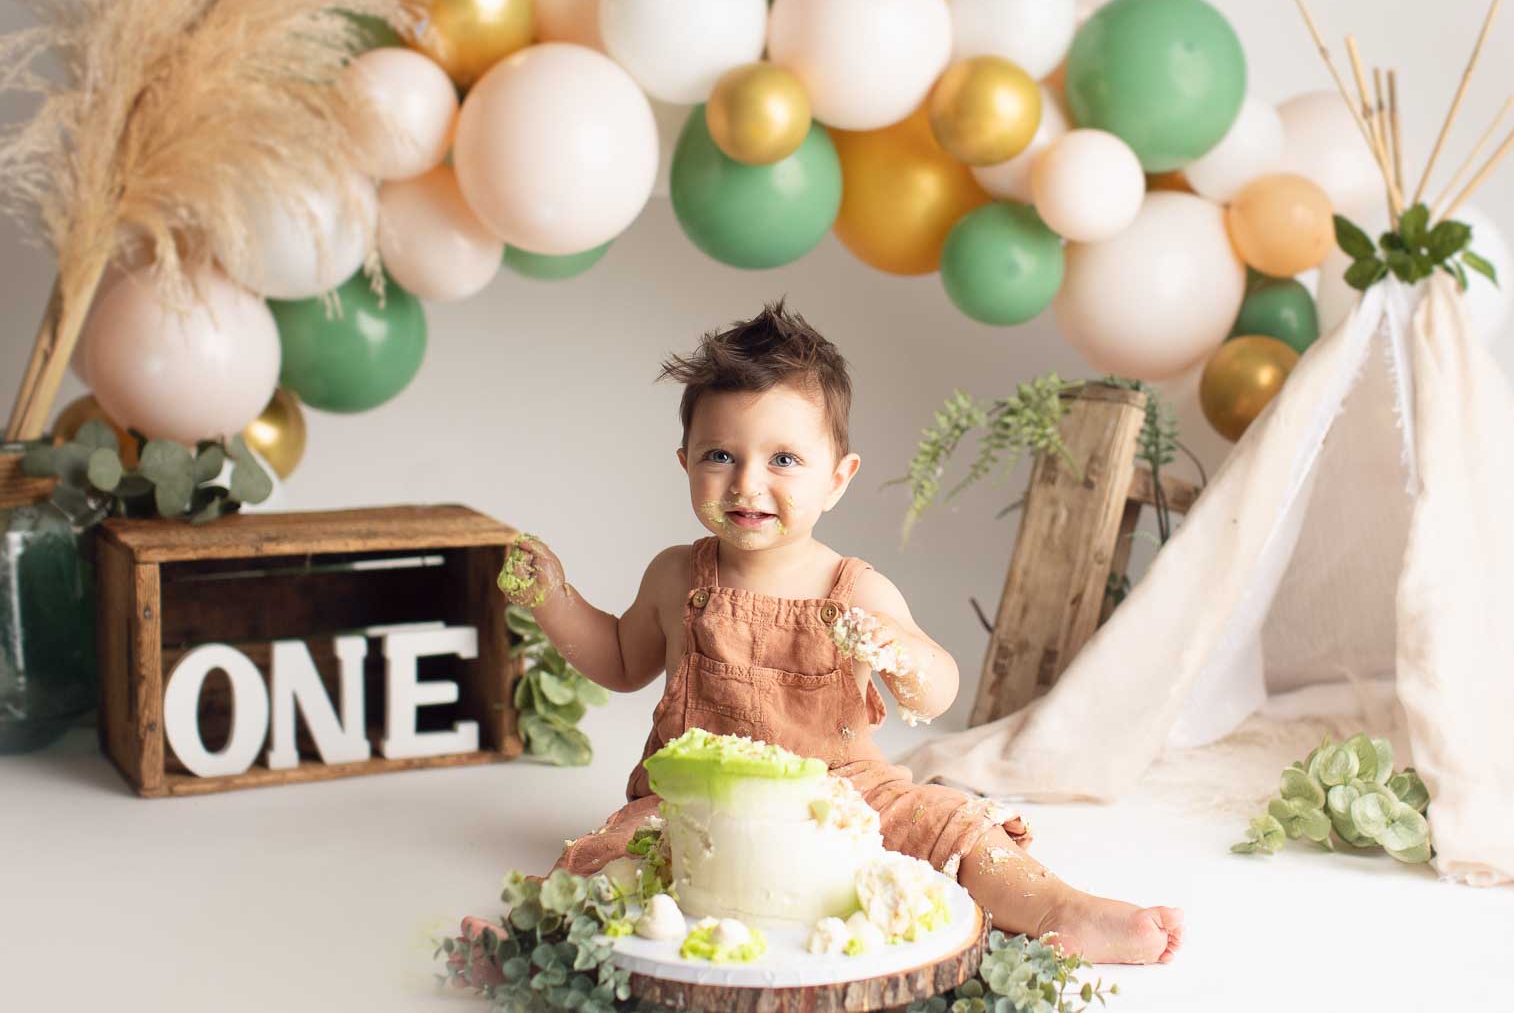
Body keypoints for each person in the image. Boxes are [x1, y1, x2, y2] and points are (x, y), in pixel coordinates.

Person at [498, 301, 1182, 965]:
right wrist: (554, 600)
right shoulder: (676, 575)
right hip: (694, 798)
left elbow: (938, 687)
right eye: (719, 455)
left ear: (837, 478)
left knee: (956, 825)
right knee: (616, 853)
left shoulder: (853, 590)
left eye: (784, 460)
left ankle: (1061, 910)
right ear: (685, 463)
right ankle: (540, 937)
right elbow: (621, 659)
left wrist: (896, 646)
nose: (747, 482)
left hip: (843, 795)